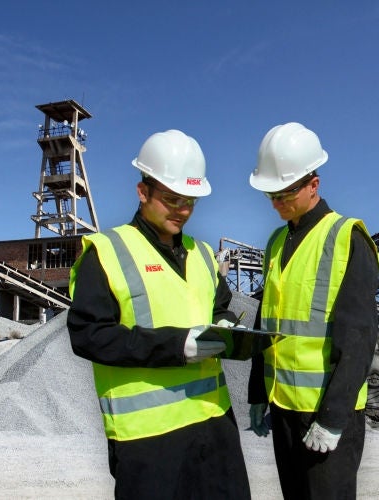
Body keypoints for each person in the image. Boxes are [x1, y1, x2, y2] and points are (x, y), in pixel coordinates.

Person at [67, 129, 251, 499]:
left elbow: (218, 306)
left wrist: (227, 326)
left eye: (190, 202)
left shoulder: (201, 254)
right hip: (147, 440)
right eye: (172, 199)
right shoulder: (106, 252)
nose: (182, 210)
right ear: (143, 191)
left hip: (214, 425)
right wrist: (176, 345)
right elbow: (88, 335)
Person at [247, 122, 379, 500]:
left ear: (313, 185)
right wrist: (258, 392)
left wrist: (334, 418)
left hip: (325, 415)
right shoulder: (276, 242)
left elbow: (359, 337)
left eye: (283, 193)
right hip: (284, 408)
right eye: (270, 194)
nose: (275, 203)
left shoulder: (347, 237)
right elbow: (265, 322)